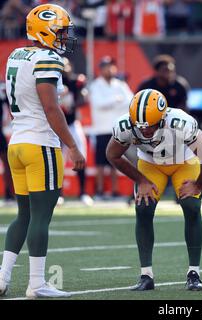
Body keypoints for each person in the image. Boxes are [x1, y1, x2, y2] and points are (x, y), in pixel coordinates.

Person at [0, 4, 85, 298]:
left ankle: (2, 277)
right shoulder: (48, 58)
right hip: (39, 143)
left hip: (17, 142)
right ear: (44, 30)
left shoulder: (15, 55)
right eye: (60, 31)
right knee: (40, 216)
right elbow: (51, 108)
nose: (64, 37)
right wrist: (72, 146)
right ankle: (37, 284)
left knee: (23, 214)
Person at [106, 89, 202, 291]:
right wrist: (140, 180)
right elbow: (112, 155)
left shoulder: (180, 122)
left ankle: (194, 272)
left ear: (163, 117)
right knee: (143, 208)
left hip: (183, 162)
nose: (145, 130)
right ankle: (146, 275)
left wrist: (199, 185)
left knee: (191, 205)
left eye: (150, 125)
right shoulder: (125, 125)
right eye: (139, 125)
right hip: (151, 164)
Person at [89, 56, 133, 199]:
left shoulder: (120, 84)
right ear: (101, 69)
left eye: (111, 66)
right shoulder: (95, 85)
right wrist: (116, 100)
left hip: (117, 128)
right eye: (106, 66)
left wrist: (113, 103)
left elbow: (130, 101)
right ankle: (100, 191)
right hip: (101, 128)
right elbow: (98, 103)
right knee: (100, 162)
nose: (110, 69)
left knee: (116, 160)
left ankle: (115, 191)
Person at [59, 57, 93, 206]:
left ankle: (83, 192)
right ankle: (58, 193)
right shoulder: (49, 82)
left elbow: (83, 100)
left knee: (80, 157)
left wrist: (74, 96)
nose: (64, 69)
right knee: (57, 160)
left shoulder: (75, 82)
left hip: (72, 124)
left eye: (65, 66)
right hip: (55, 126)